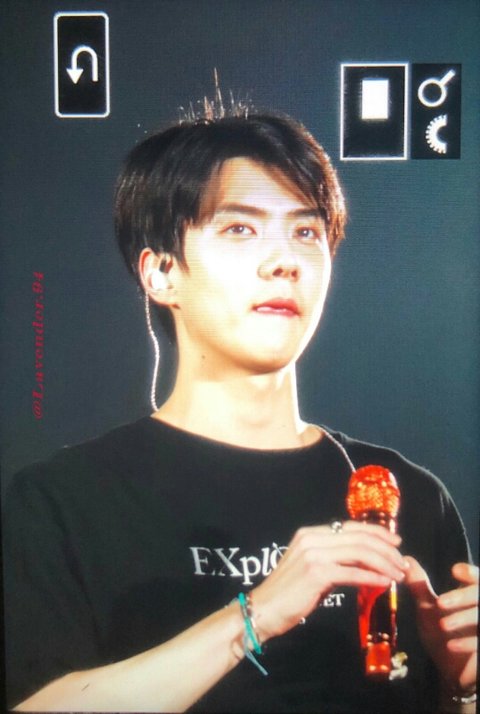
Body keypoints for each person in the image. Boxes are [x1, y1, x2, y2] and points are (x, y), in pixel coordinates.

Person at [3, 107, 478, 714]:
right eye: (240, 229)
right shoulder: (64, 501)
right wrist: (255, 616)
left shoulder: (407, 494)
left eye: (306, 233)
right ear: (162, 273)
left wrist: (463, 688)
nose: (284, 261)